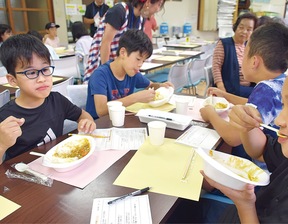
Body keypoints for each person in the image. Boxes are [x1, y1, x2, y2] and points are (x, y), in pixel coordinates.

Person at [202, 38, 288, 223]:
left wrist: (245, 205)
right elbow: (261, 150)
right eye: (283, 105)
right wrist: (245, 124)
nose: (279, 119)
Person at [0, 34, 96, 164]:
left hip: (57, 167)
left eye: (45, 69)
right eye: (31, 73)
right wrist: (2, 144)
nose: (42, 79)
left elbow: (83, 116)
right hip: (23, 178)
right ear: (12, 80)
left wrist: (87, 122)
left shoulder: (57, 100)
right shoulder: (5, 117)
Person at [86, 29, 173, 119]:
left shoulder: (132, 72)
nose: (140, 65)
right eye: (138, 59)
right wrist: (135, 98)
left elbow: (150, 85)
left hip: (120, 122)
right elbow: (101, 110)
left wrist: (161, 86)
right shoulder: (100, 75)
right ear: (123, 52)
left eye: (143, 61)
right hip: (98, 126)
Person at [83, 0, 166, 83]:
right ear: (148, 2)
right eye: (159, 5)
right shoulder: (119, 11)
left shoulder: (141, 19)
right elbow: (105, 43)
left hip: (119, 66)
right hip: (102, 64)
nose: (158, 9)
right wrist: (107, 73)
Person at [212, 12, 257, 98]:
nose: (244, 32)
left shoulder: (250, 46)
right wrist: (222, 90)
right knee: (259, 96)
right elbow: (216, 68)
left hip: (248, 86)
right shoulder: (224, 43)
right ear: (235, 27)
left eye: (249, 30)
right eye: (241, 27)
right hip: (231, 87)